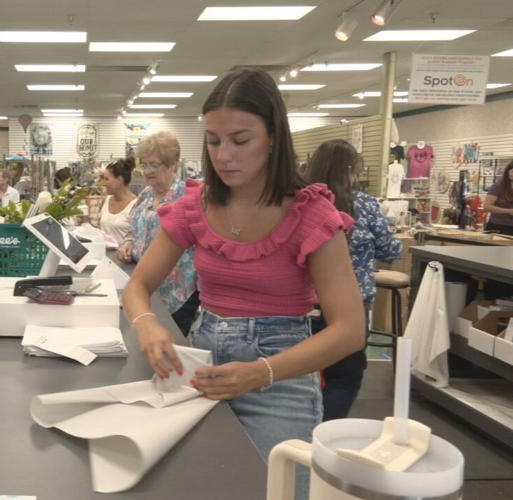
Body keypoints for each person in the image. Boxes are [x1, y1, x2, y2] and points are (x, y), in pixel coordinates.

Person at [122, 69, 364, 498]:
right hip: (201, 366)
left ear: (273, 137)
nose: (224, 155)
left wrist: (259, 372)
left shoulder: (311, 214)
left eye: (240, 140)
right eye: (213, 141)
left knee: (270, 489)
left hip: (280, 377)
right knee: (193, 485)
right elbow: (138, 285)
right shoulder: (196, 206)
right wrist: (147, 324)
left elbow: (349, 330)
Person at [306, 139, 403, 420]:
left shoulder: (301, 202)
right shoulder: (365, 205)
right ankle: (324, 432)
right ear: (351, 171)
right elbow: (390, 250)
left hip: (304, 303)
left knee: (297, 374)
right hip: (351, 304)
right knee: (344, 377)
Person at [117, 131, 199, 336]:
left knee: (170, 349)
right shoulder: (146, 194)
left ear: (172, 164)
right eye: (143, 165)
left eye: (154, 165)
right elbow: (133, 227)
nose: (147, 171)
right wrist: (127, 242)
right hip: (144, 287)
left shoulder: (187, 198)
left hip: (176, 293)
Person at [98, 158, 137, 245]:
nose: (103, 183)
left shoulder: (136, 205)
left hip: (123, 256)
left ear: (120, 180)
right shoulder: (106, 200)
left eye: (106, 179)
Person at [484, 160, 513, 236]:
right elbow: (487, 207)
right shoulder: (498, 186)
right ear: (508, 172)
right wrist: (509, 211)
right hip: (498, 227)